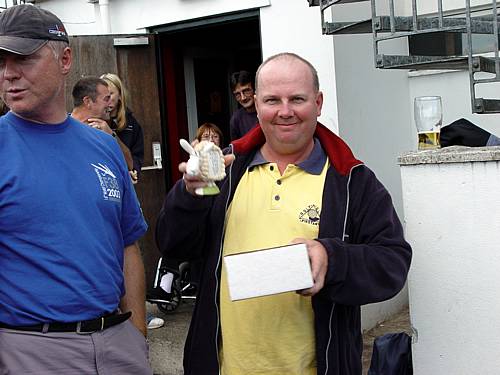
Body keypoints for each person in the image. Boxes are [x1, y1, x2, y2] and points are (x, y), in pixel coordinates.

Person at [156, 52, 412, 375]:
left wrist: (332, 259)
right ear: (256, 105)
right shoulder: (222, 171)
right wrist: (189, 196)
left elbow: (393, 263)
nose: (285, 111)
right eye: (272, 100)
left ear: (318, 103)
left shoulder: (352, 180)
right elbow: (172, 245)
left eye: (297, 99)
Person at [0, 5, 152, 374]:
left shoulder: (104, 147)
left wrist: (137, 333)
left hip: (117, 343)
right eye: (1, 62)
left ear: (64, 58)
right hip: (29, 349)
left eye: (23, 58)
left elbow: (127, 243)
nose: (8, 74)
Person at [71, 76, 135, 172]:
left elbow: (129, 165)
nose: (110, 104)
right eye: (106, 99)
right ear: (88, 101)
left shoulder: (103, 129)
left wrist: (112, 136)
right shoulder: (62, 130)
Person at [101, 73, 145, 184]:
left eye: (110, 94)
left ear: (120, 96)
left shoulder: (132, 124)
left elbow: (136, 162)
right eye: (103, 96)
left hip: (124, 182)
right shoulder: (93, 120)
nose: (107, 100)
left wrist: (111, 134)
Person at [229, 70, 258, 141]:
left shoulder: (268, 111)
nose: (243, 98)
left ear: (255, 89)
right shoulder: (236, 119)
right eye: (237, 94)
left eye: (246, 91)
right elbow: (236, 150)